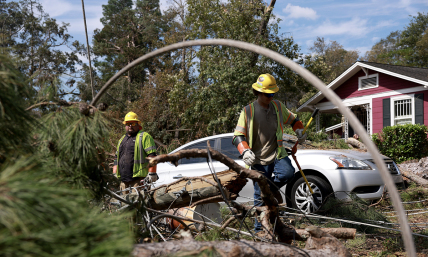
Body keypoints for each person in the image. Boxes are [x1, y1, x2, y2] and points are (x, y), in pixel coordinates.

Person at [232, 73, 307, 232]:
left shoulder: (278, 106)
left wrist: (300, 130)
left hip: (277, 154)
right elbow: (238, 135)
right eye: (268, 94)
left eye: (273, 93)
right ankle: (260, 231)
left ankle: (270, 190)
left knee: (288, 173)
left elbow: (294, 120)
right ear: (258, 92)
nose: (271, 97)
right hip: (258, 160)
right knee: (259, 198)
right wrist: (245, 150)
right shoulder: (248, 111)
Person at [113, 111, 158, 195]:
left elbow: (152, 156)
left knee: (139, 205)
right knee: (124, 205)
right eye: (128, 123)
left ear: (138, 124)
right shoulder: (122, 139)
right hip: (123, 181)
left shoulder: (144, 136)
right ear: (125, 125)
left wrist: (152, 174)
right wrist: (114, 174)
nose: (130, 126)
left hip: (138, 180)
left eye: (133, 124)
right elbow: (116, 158)